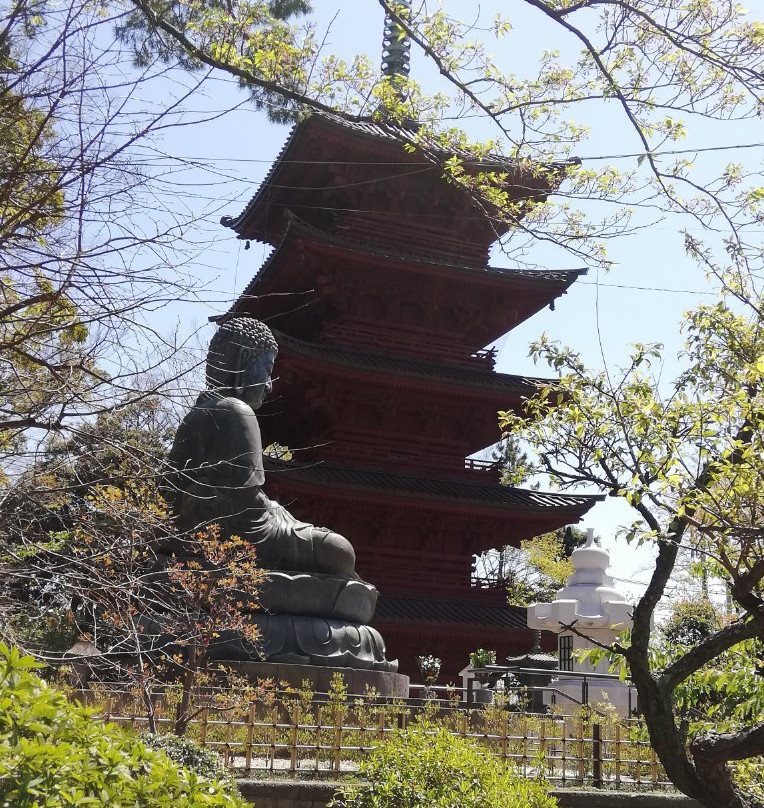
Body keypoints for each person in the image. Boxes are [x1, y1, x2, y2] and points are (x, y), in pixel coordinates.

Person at [168, 315, 357, 578]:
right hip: (245, 537)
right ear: (245, 359)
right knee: (339, 550)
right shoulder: (236, 411)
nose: (269, 385)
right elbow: (249, 509)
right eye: (267, 370)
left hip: (192, 537)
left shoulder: (196, 414)